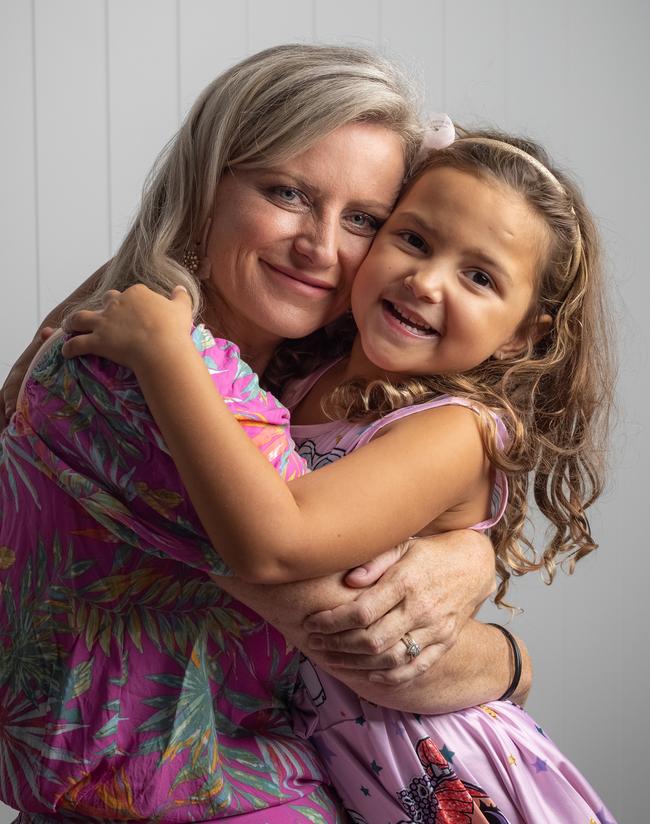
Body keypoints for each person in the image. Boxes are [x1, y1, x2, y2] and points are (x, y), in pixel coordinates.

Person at [0, 46, 522, 823]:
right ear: (206, 183)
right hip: (200, 796)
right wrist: (511, 659)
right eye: (287, 192)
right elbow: (370, 642)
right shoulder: (155, 371)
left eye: (365, 221)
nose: (319, 246)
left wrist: (462, 548)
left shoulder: (296, 365)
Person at [62, 125, 617, 823]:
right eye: (412, 238)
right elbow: (147, 269)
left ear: (522, 334)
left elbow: (278, 541)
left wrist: (165, 352)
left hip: (430, 762)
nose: (425, 279)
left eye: (479, 277)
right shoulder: (309, 366)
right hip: (311, 747)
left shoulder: (458, 428)